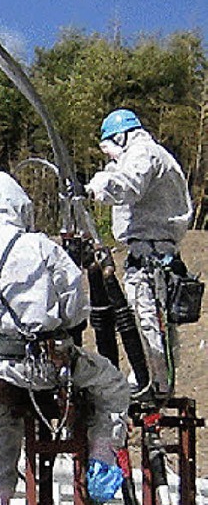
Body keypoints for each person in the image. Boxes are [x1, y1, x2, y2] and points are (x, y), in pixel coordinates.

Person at [0, 171, 130, 505]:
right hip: (44, 367)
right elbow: (76, 310)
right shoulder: (41, 248)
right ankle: (101, 456)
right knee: (110, 383)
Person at [86, 108, 194, 397]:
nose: (110, 157)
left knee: (148, 322)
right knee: (150, 323)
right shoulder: (151, 154)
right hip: (155, 250)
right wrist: (98, 180)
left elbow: (127, 184)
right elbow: (117, 174)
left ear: (121, 137)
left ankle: (154, 383)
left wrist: (96, 189)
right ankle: (154, 379)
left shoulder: (143, 154)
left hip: (151, 255)